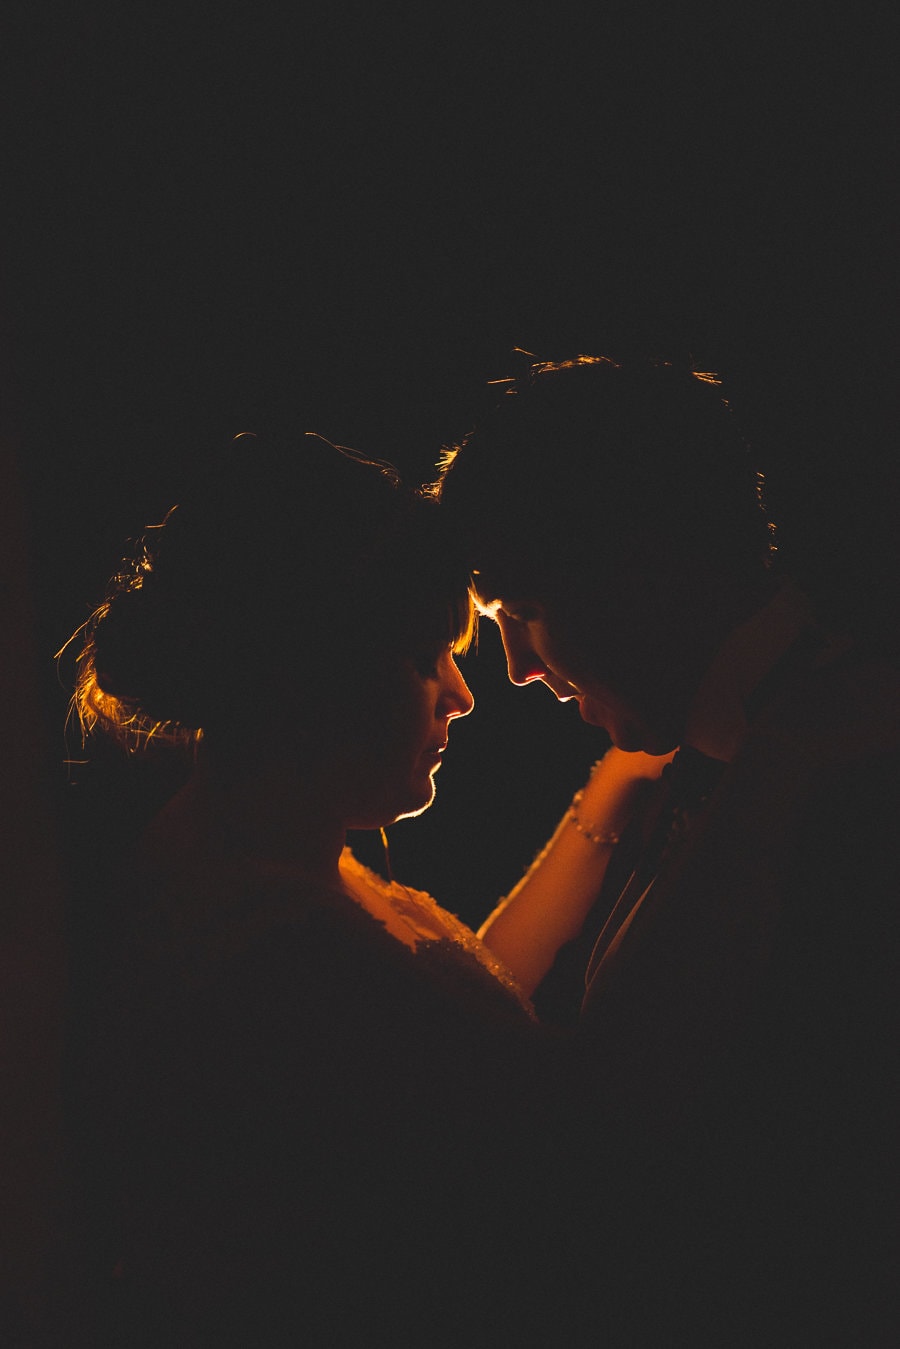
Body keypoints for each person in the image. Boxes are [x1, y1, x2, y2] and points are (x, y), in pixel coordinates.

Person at [59, 432, 577, 1346]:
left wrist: (609, 793)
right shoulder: (271, 955)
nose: (460, 693)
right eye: (428, 658)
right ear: (323, 668)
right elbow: (560, 1115)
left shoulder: (273, 856)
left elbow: (457, 996)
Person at [437, 355, 900, 1341]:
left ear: (641, 571)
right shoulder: (724, 759)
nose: (516, 666)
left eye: (521, 611)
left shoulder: (860, 776)